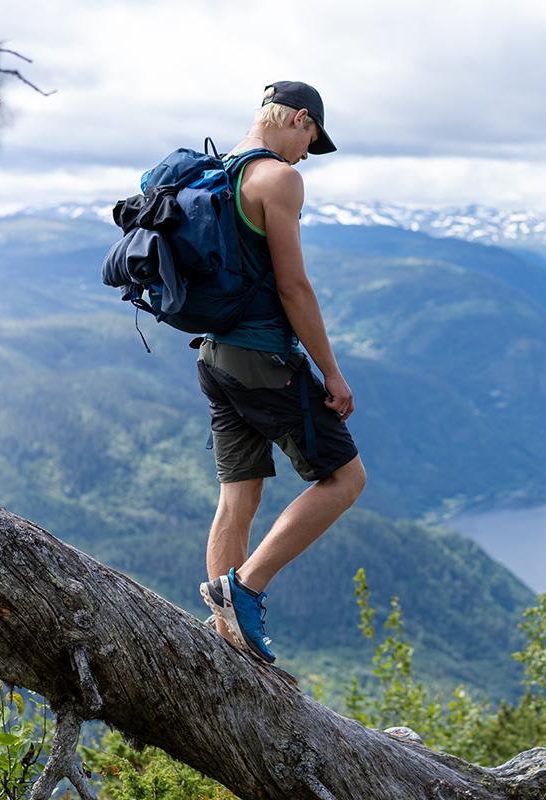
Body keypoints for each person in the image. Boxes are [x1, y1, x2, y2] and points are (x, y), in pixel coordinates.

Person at [197, 81, 366, 665]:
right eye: (310, 139)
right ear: (300, 119)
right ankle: (245, 589)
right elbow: (294, 287)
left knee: (238, 495)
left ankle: (225, 636)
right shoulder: (278, 179)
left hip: (213, 357)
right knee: (346, 480)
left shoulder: (211, 174)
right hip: (263, 359)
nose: (306, 154)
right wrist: (333, 375)